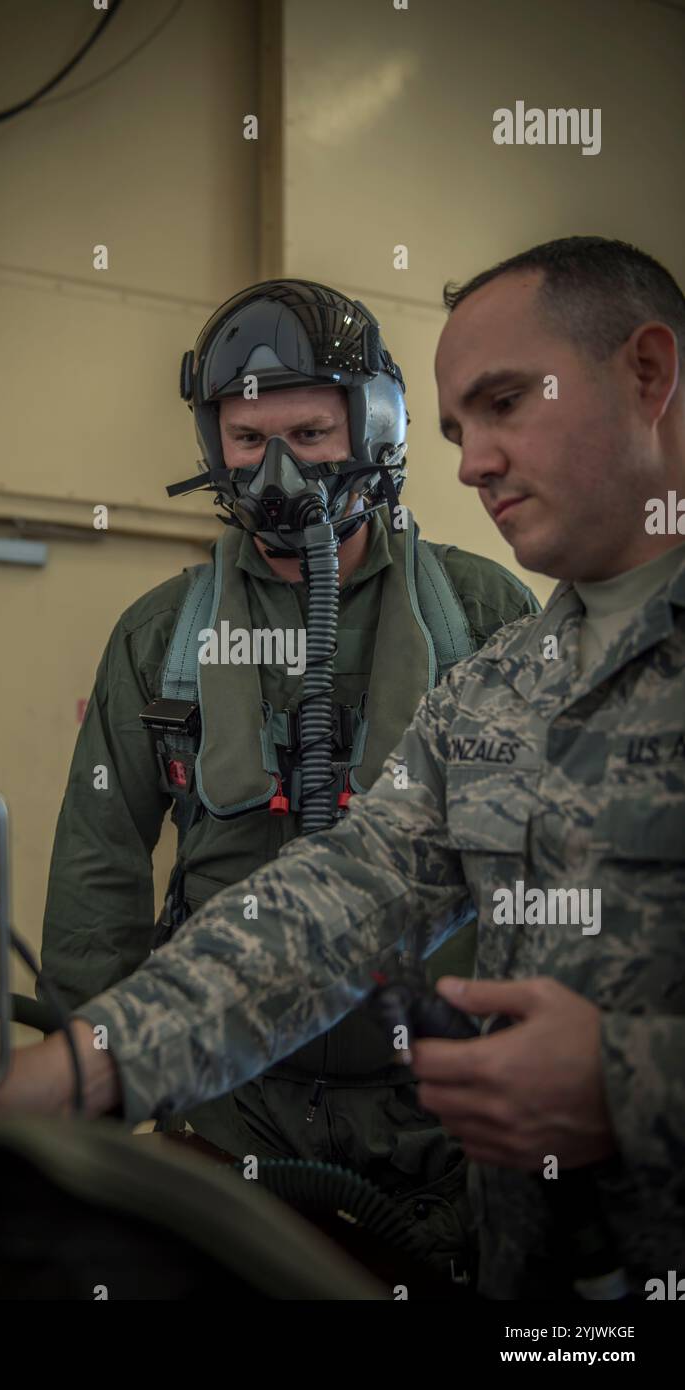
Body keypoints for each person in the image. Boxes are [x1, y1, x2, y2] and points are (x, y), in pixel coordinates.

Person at [0, 237, 685, 1299]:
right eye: (463, 428)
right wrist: (84, 1064)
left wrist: (632, 1084)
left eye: (508, 404)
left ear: (649, 374)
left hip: (429, 1120)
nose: (474, 462)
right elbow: (340, 898)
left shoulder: (472, 612)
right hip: (291, 1127)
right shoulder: (506, 679)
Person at [37, 279, 538, 1286]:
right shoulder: (158, 638)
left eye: (308, 430)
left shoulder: (485, 614)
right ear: (210, 443)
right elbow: (98, 873)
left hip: (436, 1110)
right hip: (227, 1105)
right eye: (243, 436)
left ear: (376, 429)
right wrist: (89, 1097)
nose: (273, 467)